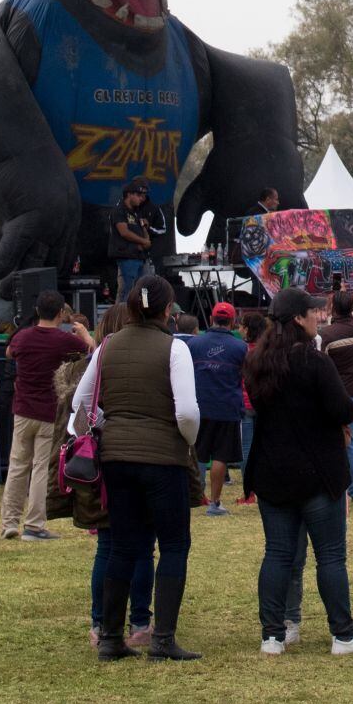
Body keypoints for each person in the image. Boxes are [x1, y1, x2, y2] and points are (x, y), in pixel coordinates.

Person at [243, 286, 353, 656]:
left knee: (277, 553)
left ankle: (272, 635)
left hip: (273, 471)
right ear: (297, 319)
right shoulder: (312, 361)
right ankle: (343, 634)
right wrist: (339, 419)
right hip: (317, 471)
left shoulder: (258, 362)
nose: (318, 317)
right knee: (331, 555)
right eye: (312, 312)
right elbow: (344, 408)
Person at [70, 274, 201, 662]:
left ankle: (110, 637)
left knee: (123, 545)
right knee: (174, 544)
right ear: (166, 310)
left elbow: (79, 408)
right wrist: (187, 441)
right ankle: (161, 639)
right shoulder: (174, 349)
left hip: (115, 459)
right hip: (163, 460)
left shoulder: (106, 346)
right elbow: (188, 412)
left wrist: (106, 432)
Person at [60, 304, 153, 651]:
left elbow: (79, 408)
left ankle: (100, 623)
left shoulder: (99, 357)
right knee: (143, 545)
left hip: (105, 457)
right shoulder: (148, 352)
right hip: (144, 452)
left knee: (109, 544)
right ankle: (140, 622)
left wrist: (97, 427)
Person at [1, 290, 92, 539]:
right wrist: (84, 333)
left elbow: (10, 352)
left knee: (17, 465)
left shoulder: (23, 337)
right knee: (41, 467)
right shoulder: (63, 341)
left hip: (22, 410)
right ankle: (34, 524)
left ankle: (9, 522)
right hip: (49, 411)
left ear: (37, 310)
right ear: (61, 314)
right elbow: (91, 352)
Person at [186, 301, 249, 517]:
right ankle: (214, 503)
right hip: (227, 407)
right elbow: (245, 377)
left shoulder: (195, 344)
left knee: (198, 454)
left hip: (200, 405)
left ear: (211, 319)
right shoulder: (240, 347)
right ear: (232, 321)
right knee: (221, 456)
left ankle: (196, 497)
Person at [317, 290, 353, 503]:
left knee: (331, 442)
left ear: (333, 308)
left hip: (335, 394)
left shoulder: (328, 335)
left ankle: (335, 488)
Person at [109, 177, 156, 298]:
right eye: (139, 195)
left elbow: (145, 236)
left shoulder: (136, 212)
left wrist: (145, 228)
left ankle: (144, 312)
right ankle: (123, 315)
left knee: (144, 290)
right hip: (127, 258)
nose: (142, 198)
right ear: (129, 194)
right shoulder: (119, 210)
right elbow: (124, 232)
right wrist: (143, 241)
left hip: (141, 257)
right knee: (128, 290)